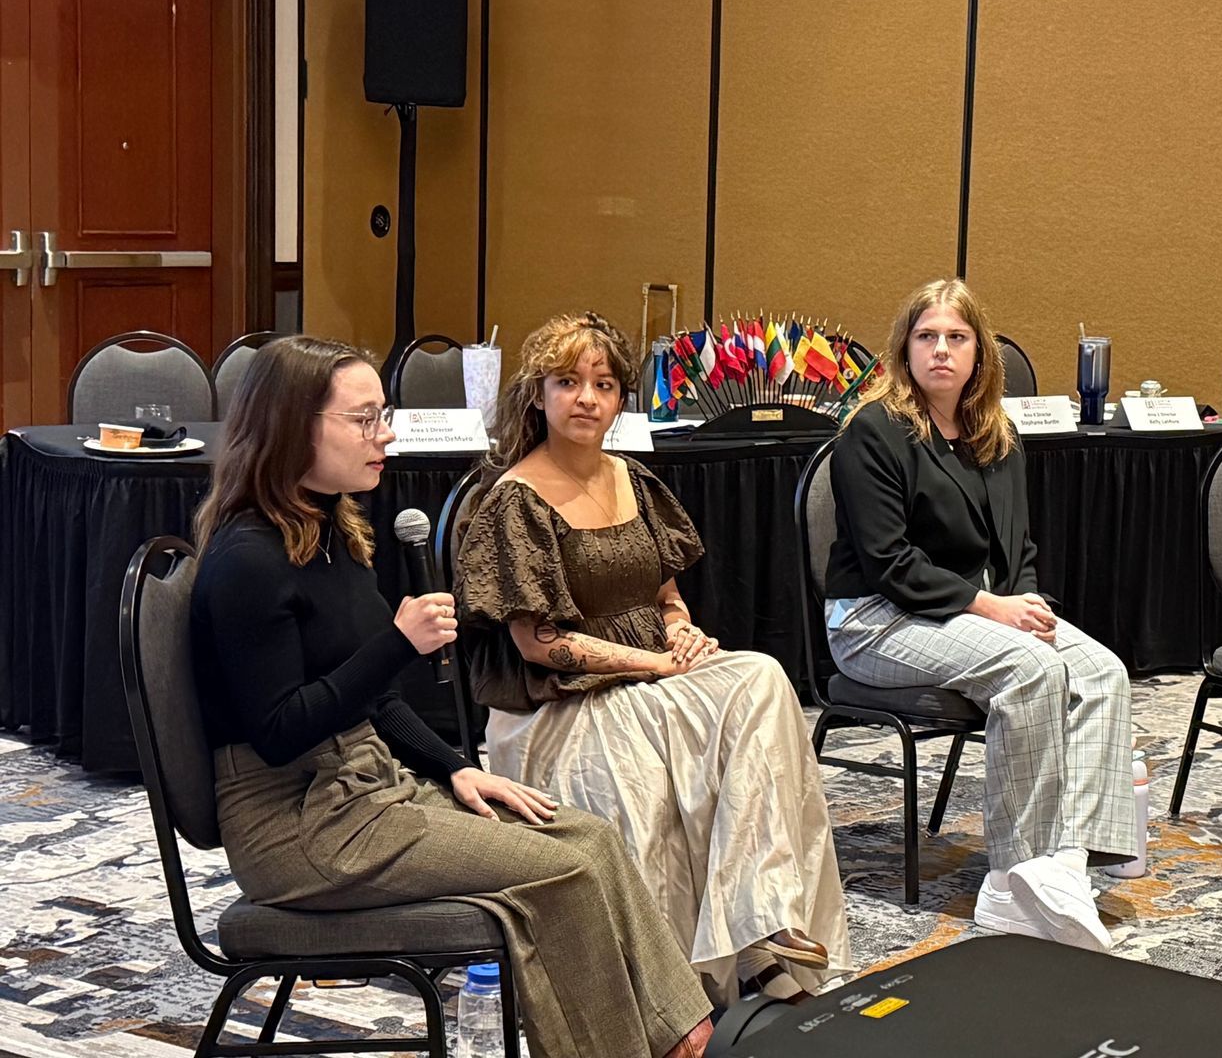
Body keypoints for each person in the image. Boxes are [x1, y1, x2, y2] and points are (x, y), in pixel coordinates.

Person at [190, 336, 712, 1058]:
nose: (387, 434)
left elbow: (370, 705)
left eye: (385, 414)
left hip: (363, 787)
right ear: (293, 427)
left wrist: (454, 766)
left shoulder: (329, 527)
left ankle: (682, 1033)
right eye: (365, 420)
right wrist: (398, 645)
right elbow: (281, 730)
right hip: (295, 826)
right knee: (562, 870)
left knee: (589, 837)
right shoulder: (248, 559)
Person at [455, 312, 848, 1002]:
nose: (587, 398)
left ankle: (759, 921)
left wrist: (680, 631)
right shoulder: (512, 500)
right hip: (560, 702)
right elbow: (540, 643)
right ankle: (681, 985)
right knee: (643, 766)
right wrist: (654, 666)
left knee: (760, 675)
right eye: (568, 382)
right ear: (537, 394)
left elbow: (665, 595)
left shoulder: (634, 479)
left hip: (650, 676)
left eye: (604, 384)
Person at [823, 278, 1136, 952]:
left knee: (1102, 670)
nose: (941, 350)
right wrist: (996, 609)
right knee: (1029, 669)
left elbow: (1016, 548)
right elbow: (888, 562)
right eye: (927, 336)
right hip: (875, 619)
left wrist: (1027, 606)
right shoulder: (873, 431)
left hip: (967, 613)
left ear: (978, 353)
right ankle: (1014, 875)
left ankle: (1066, 863)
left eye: (956, 338)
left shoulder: (996, 434)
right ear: (905, 349)